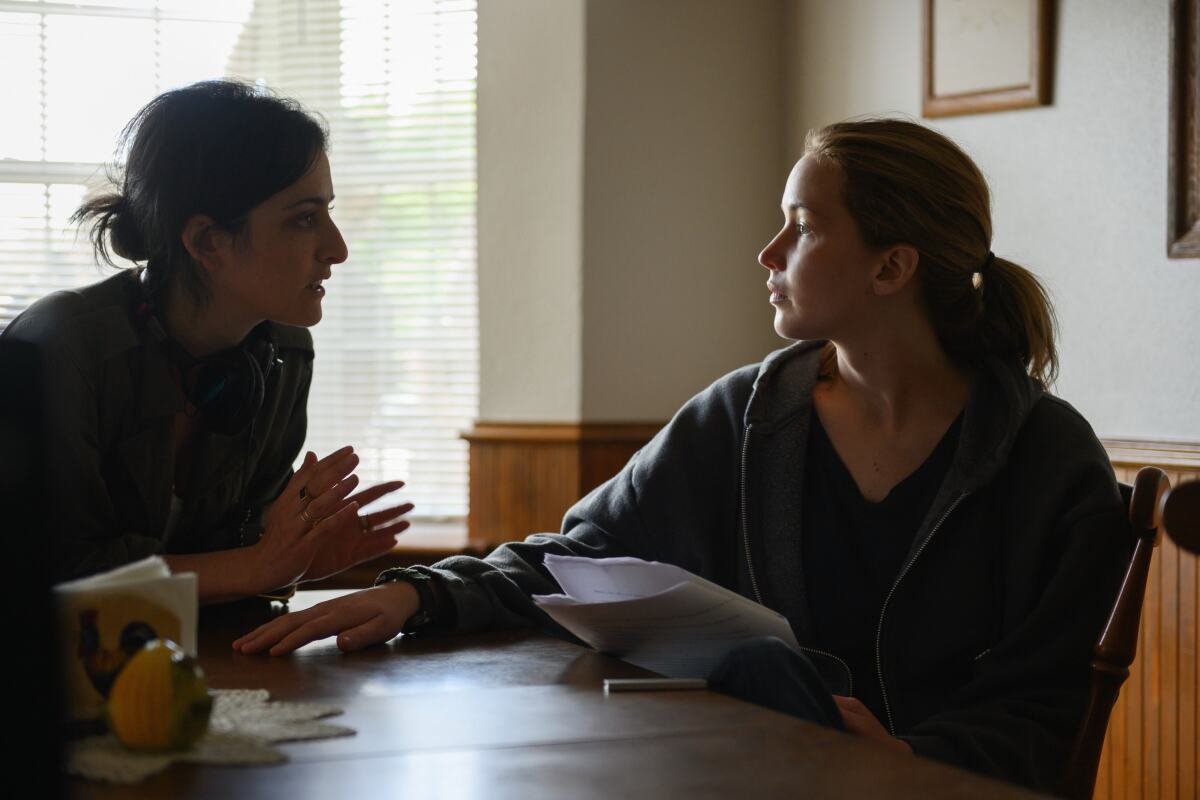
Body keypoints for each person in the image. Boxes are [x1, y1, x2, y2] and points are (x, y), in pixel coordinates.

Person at [233, 118, 1129, 789]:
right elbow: (582, 560)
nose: (767, 251)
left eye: (803, 228)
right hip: (760, 776)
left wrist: (908, 759)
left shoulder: (1045, 458)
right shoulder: (746, 415)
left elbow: (1047, 707)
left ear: (893, 268)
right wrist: (414, 593)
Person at [1, 80, 412, 602]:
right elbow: (50, 576)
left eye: (327, 212)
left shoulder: (285, 351)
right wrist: (258, 566)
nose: (338, 248)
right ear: (207, 242)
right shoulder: (61, 348)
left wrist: (293, 564)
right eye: (305, 218)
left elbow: (246, 560)